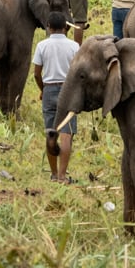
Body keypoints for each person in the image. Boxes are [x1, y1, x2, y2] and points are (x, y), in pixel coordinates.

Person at [32, 11, 80, 183]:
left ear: (48, 27)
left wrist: (42, 89)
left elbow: (37, 74)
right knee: (66, 135)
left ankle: (53, 174)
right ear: (66, 28)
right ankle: (62, 175)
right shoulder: (74, 46)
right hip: (68, 91)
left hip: (49, 90)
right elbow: (78, 72)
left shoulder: (42, 46)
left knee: (50, 132)